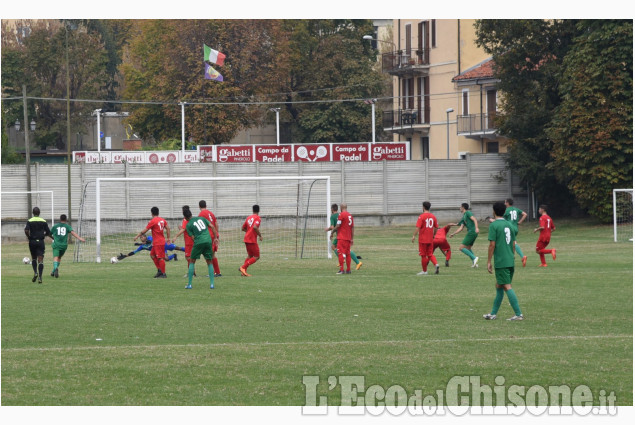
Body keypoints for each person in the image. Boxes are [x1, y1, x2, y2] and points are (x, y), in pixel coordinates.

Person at [484, 201, 524, 321]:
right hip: (510, 259)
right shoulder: (510, 225)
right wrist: (512, 256)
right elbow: (513, 243)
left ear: (494, 211)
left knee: (506, 286)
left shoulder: (494, 225)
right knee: (499, 285)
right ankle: (493, 314)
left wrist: (489, 261)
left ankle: (518, 314)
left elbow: (492, 244)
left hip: (501, 261)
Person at [183, 207, 217, 289]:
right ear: (191, 214)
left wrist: (197, 242)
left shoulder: (188, 225)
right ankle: (212, 284)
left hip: (199, 242)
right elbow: (212, 226)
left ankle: (189, 284)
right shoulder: (202, 218)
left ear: (185, 217)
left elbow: (192, 237)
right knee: (209, 261)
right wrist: (215, 238)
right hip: (208, 241)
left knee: (192, 261)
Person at [490, 198, 528, 267]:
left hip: (508, 227)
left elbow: (500, 218)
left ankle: (521, 256)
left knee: (511, 242)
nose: (504, 203)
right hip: (515, 228)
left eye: (505, 202)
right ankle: (515, 256)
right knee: (512, 242)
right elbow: (525, 214)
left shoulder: (506, 210)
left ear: (507, 203)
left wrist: (492, 220)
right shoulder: (516, 209)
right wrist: (519, 222)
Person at [134, 206, 170, 278]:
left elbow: (145, 230)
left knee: (160, 258)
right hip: (158, 241)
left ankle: (163, 274)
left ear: (152, 213)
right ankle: (159, 270)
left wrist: (137, 236)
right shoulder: (162, 220)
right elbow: (168, 228)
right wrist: (168, 238)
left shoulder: (153, 221)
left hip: (158, 242)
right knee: (152, 255)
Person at [325, 203, 362, 271]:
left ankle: (345, 261)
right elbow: (352, 227)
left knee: (338, 249)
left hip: (341, 236)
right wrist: (352, 238)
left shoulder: (334, 216)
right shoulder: (347, 215)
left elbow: (334, 226)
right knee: (346, 251)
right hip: (348, 236)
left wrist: (329, 230)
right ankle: (348, 266)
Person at [48, 214, 85, 278]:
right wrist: (80, 238)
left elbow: (49, 234)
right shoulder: (67, 226)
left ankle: (55, 268)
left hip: (56, 245)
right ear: (66, 219)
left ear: (60, 219)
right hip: (64, 246)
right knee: (59, 258)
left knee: (55, 257)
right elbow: (73, 233)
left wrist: (53, 238)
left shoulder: (55, 226)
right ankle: (53, 271)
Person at [24, 206, 51, 284]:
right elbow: (48, 232)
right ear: (39, 213)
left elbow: (26, 230)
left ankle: (35, 272)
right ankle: (40, 277)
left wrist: (29, 237)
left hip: (32, 242)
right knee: (40, 259)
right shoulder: (43, 221)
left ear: (33, 213)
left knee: (33, 258)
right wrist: (43, 235)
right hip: (40, 242)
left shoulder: (30, 220)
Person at [411, 201, 439, 275]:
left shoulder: (421, 216)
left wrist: (414, 235)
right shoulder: (433, 216)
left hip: (423, 239)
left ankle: (424, 271)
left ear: (423, 207)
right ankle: (436, 264)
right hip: (430, 239)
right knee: (430, 254)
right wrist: (434, 235)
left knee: (423, 255)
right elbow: (436, 227)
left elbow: (418, 227)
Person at [449, 203, 480, 267]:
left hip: (472, 232)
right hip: (473, 232)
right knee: (468, 248)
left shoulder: (468, 213)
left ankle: (474, 258)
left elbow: (474, 219)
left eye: (460, 207)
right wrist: (453, 233)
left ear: (463, 207)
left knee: (461, 248)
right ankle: (475, 263)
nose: (460, 208)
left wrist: (476, 228)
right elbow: (461, 227)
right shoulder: (464, 217)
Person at [117, 235, 184, 262]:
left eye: (142, 237)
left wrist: (140, 243)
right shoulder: (142, 246)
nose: (141, 238)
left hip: (164, 244)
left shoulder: (149, 237)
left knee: (178, 248)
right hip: (160, 249)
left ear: (145, 237)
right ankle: (174, 255)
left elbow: (150, 241)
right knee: (166, 259)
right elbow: (134, 252)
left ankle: (188, 250)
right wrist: (125, 256)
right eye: (140, 238)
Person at [171, 205, 196, 278]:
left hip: (189, 241)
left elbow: (184, 229)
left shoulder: (185, 220)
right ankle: (192, 272)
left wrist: (175, 236)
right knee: (189, 257)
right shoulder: (192, 219)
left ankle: (192, 273)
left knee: (188, 257)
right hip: (191, 240)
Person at [199, 200, 222, 277]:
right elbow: (216, 224)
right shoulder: (211, 213)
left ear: (199, 206)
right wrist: (216, 235)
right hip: (214, 235)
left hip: (208, 236)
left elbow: (201, 226)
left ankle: (212, 272)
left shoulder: (201, 214)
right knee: (212, 255)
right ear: (206, 206)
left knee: (208, 255)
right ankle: (217, 272)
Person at [239, 204, 262, 277]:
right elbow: (255, 227)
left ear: (252, 210)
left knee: (250, 255)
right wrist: (260, 235)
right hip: (252, 240)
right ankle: (243, 267)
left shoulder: (249, 217)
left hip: (246, 238)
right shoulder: (258, 218)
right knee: (256, 256)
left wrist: (248, 232)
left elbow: (243, 228)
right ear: (259, 211)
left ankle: (243, 272)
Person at [332, 203, 354, 274]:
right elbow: (352, 228)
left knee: (340, 253)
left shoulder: (341, 215)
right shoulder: (350, 216)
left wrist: (332, 232)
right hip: (348, 238)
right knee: (348, 254)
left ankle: (341, 270)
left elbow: (338, 225)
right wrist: (352, 238)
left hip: (342, 237)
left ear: (341, 208)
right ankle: (348, 270)